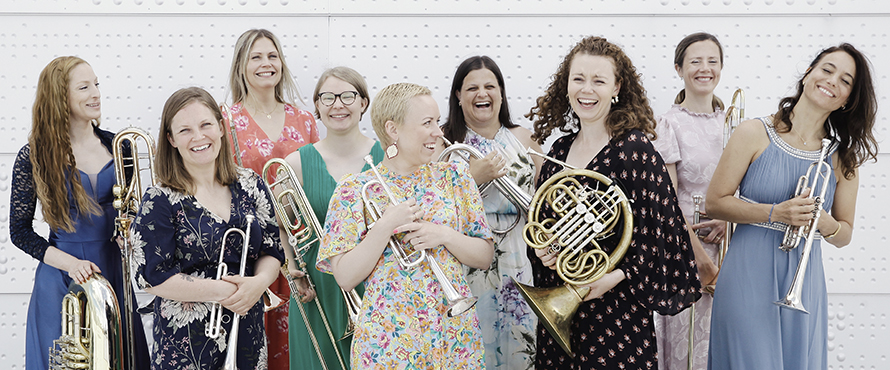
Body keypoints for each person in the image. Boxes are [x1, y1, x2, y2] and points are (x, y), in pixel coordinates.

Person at [524, 36, 702, 369]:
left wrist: (615, 275)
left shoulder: (635, 150)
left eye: (598, 81)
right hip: (561, 306)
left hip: (617, 312)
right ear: (566, 85)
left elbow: (664, 236)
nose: (586, 90)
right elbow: (542, 225)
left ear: (616, 87)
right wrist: (545, 252)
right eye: (578, 79)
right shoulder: (558, 152)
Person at [706, 43, 877, 370]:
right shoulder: (753, 132)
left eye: (845, 81)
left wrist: (826, 224)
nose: (832, 81)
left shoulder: (842, 159)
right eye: (827, 69)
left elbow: (845, 234)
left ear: (848, 99)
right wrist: (775, 213)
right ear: (808, 74)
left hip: (805, 283)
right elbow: (715, 202)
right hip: (747, 274)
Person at [316, 82, 494, 369]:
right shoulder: (353, 189)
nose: (438, 131)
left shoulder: (455, 177)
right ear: (393, 129)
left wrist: (444, 235)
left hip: (453, 335)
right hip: (388, 340)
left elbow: (484, 257)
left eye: (437, 122)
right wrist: (384, 226)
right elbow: (345, 277)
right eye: (427, 123)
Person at [9, 56, 149, 370]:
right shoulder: (34, 155)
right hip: (62, 277)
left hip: (114, 271)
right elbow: (19, 232)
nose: (96, 93)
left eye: (97, 84)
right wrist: (71, 265)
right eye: (84, 87)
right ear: (60, 97)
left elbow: (133, 213)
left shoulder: (119, 146)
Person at [130, 87, 285, 369]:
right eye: (185, 130)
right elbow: (153, 276)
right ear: (171, 139)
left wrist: (259, 284)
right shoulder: (160, 199)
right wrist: (226, 292)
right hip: (186, 346)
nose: (199, 137)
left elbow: (272, 250)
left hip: (247, 333)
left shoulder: (250, 184)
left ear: (221, 127)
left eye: (205, 125)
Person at [440, 55, 543, 370]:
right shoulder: (444, 141)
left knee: (520, 354)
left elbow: (544, 202)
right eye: (471, 88)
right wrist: (474, 177)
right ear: (458, 95)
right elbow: (432, 205)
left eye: (490, 86)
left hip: (519, 259)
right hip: (466, 263)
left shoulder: (525, 137)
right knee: (471, 352)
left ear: (501, 92)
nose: (481, 94)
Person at [227, 28, 320, 368]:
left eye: (272, 56)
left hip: (298, 245)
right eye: (256, 57)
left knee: (299, 342)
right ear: (241, 65)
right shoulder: (226, 120)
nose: (266, 64)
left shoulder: (304, 119)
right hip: (251, 250)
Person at [282, 66, 384, 369]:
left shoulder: (388, 157)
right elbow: (284, 228)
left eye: (348, 96)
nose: (337, 105)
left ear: (363, 103)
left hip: (377, 286)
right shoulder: (295, 164)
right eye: (327, 97)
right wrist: (291, 267)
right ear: (317, 106)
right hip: (317, 288)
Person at [651, 32, 724, 370]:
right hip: (686, 251)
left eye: (712, 61)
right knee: (691, 348)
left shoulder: (736, 124)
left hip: (731, 249)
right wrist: (703, 263)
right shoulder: (669, 123)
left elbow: (746, 192)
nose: (704, 69)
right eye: (695, 61)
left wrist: (730, 220)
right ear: (679, 68)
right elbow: (666, 199)